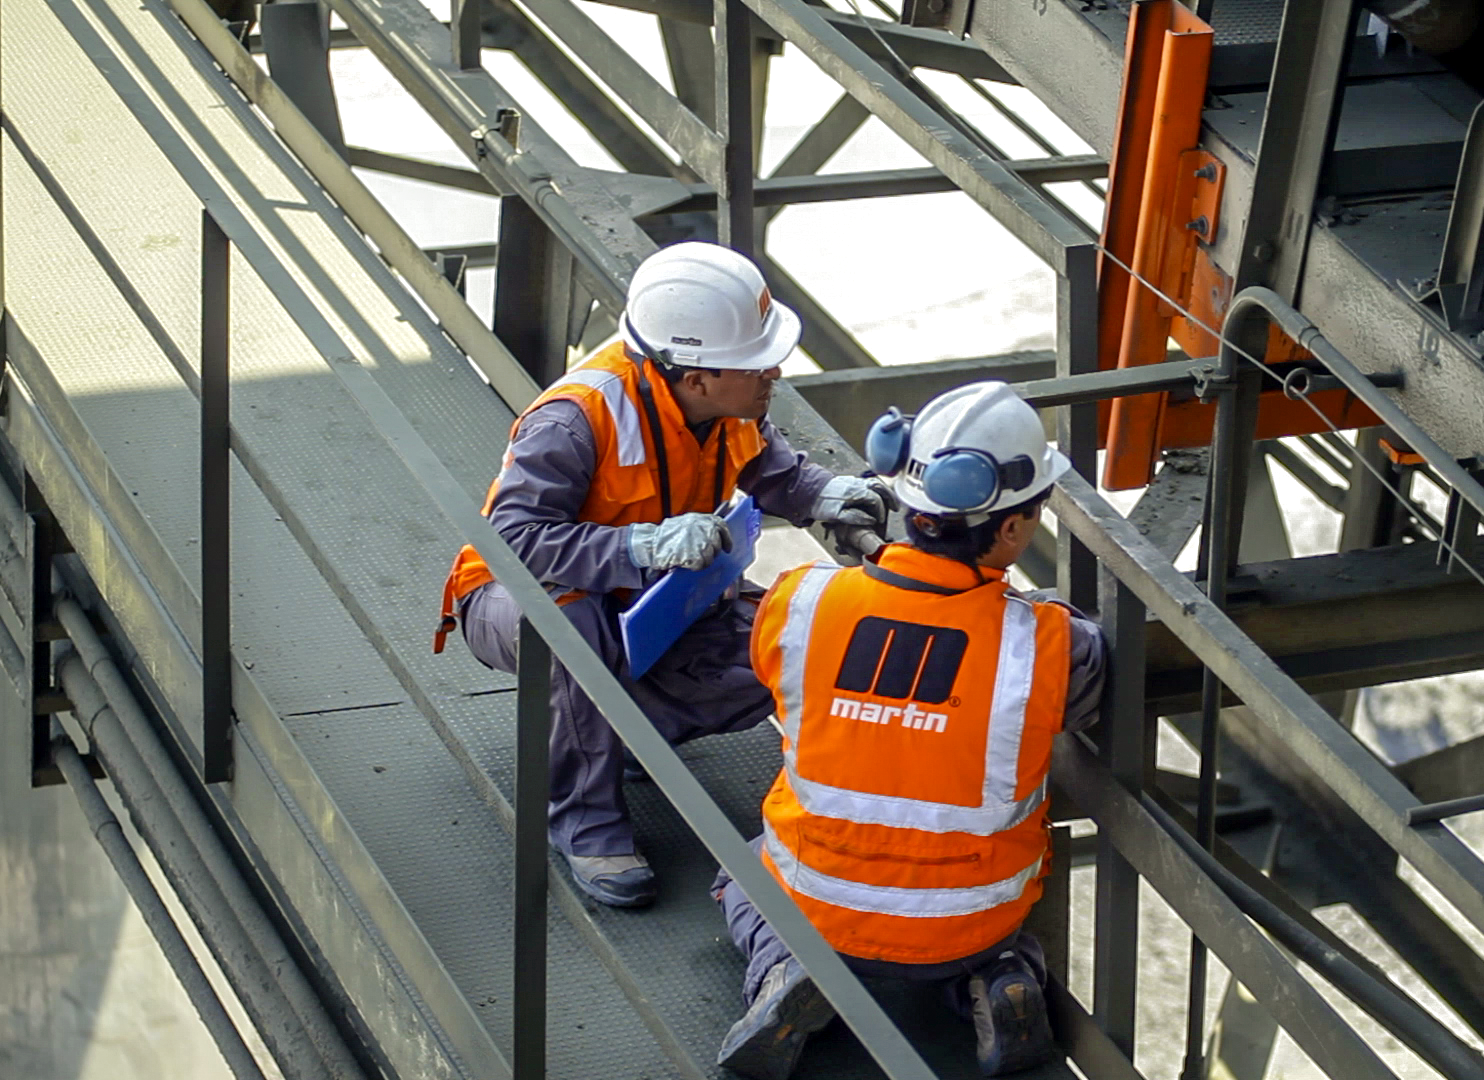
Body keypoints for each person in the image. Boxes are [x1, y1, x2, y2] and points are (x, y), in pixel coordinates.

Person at [435, 242, 893, 908]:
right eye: (757, 363)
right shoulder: (575, 420)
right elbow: (513, 540)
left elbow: (769, 469)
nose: (774, 373)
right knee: (571, 627)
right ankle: (585, 824)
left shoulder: (730, 401)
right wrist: (642, 545)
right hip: (520, 597)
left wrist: (822, 494)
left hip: (654, 598)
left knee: (790, 645)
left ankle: (606, 731)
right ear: (696, 374)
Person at [710, 381, 1107, 1080]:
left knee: (741, 875)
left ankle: (784, 969)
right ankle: (1001, 977)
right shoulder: (1048, 645)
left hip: (818, 906)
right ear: (1010, 529)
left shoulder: (800, 601)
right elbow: (1084, 686)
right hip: (969, 920)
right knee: (990, 930)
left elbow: (780, 673)